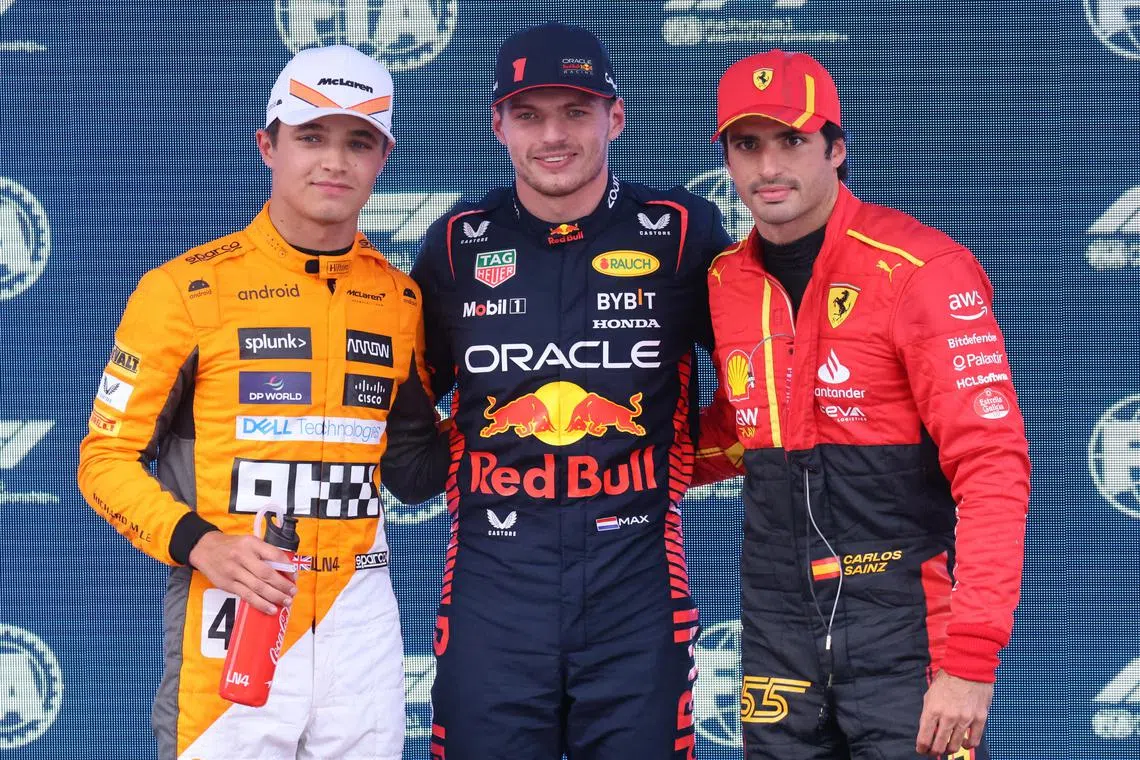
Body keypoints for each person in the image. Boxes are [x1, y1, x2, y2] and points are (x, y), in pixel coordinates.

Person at [77, 45, 442, 760]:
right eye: (311, 136)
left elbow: (414, 468)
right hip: (231, 605)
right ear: (267, 146)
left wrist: (516, 411)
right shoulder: (183, 291)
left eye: (358, 141)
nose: (334, 161)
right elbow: (104, 461)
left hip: (359, 615)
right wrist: (200, 543)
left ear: (384, 158)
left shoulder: (399, 299)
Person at [404, 21, 731, 760]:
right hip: (493, 594)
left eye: (575, 111)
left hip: (636, 596)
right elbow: (407, 410)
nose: (553, 135)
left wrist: (686, 457)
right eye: (529, 115)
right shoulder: (457, 244)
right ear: (498, 126)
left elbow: (766, 379)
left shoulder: (680, 232)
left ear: (616, 116)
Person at [693, 50, 1031, 759]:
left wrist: (971, 661)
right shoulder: (725, 281)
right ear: (726, 158)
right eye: (747, 145)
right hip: (777, 637)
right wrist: (594, 457)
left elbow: (992, 465)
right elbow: (738, 429)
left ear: (836, 149)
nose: (768, 167)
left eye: (792, 140)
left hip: (907, 638)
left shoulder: (921, 269)